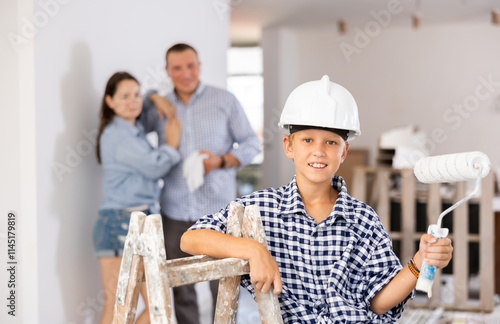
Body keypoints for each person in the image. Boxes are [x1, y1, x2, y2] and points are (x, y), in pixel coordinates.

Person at [180, 75, 454, 323]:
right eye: (308, 140)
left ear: (344, 152)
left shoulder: (363, 218)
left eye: (330, 142)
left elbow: (378, 304)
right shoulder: (261, 209)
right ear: (289, 146)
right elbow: (190, 238)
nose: (318, 152)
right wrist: (254, 250)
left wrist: (419, 262)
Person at [141, 43, 260, 323]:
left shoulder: (224, 100)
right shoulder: (161, 109)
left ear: (200, 65)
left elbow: (251, 142)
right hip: (174, 210)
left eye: (191, 65)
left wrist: (219, 161)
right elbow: (133, 116)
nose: (186, 73)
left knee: (223, 286)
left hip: (218, 212)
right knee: (181, 288)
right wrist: (153, 97)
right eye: (178, 68)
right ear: (167, 71)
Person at [93, 71, 181, 324]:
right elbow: (154, 167)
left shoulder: (134, 127)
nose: (133, 101)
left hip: (138, 220)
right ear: (109, 101)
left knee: (153, 305)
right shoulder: (117, 135)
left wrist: (154, 97)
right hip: (120, 222)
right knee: (122, 305)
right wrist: (171, 147)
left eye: (136, 95)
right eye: (124, 97)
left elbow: (145, 100)